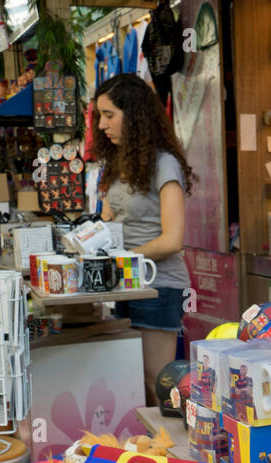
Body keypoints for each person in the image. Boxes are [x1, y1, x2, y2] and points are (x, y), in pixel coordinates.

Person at [94, 74, 195, 405]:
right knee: (132, 380)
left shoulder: (164, 164)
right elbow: (107, 223)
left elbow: (172, 239)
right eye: (100, 116)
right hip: (124, 284)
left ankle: (170, 451)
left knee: (157, 381)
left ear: (134, 115)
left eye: (109, 115)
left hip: (158, 285)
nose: (101, 124)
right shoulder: (117, 164)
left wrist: (122, 258)